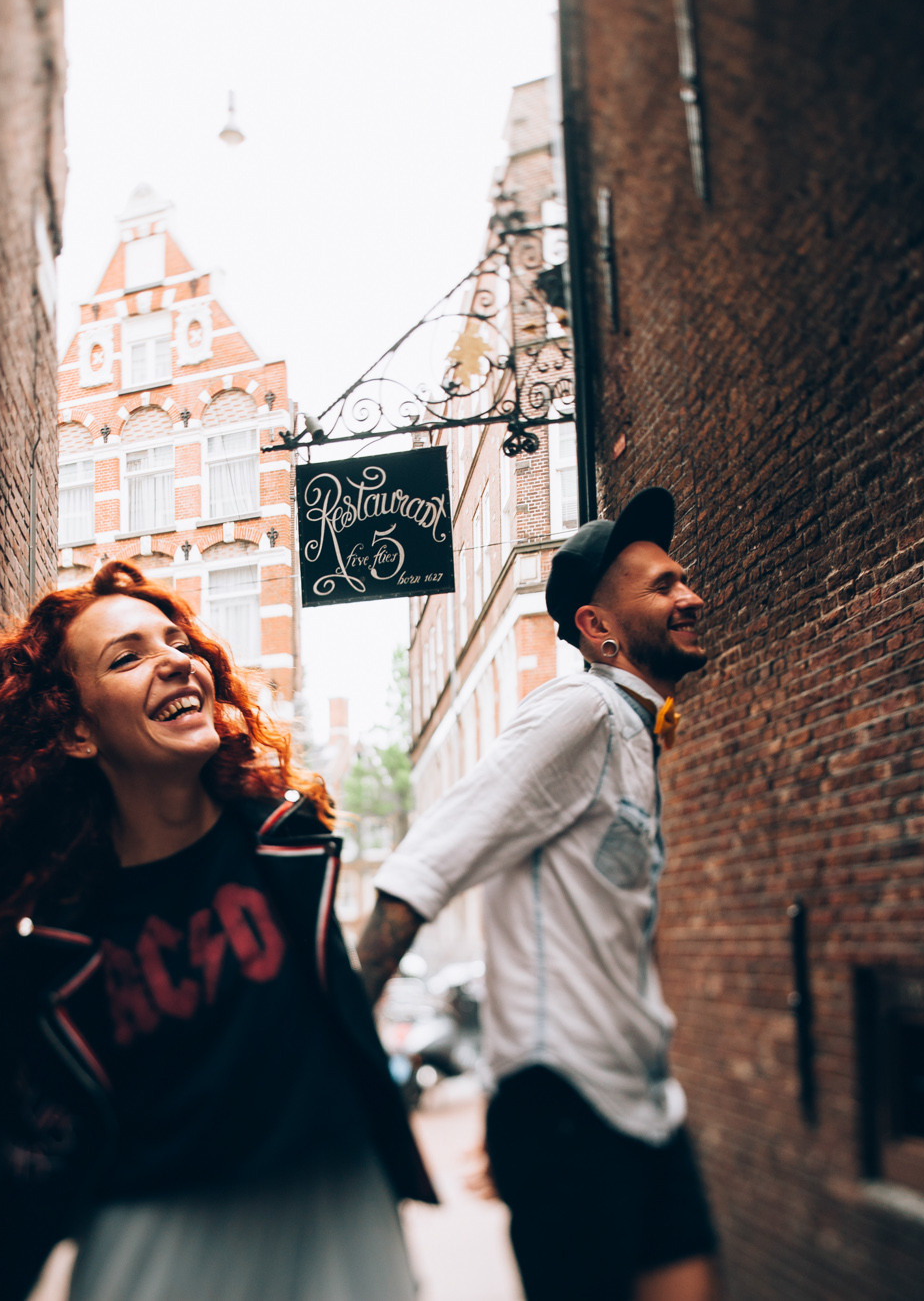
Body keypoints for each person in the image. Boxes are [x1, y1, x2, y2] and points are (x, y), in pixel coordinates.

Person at [0, 560, 434, 1301]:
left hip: (335, 1218)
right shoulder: (47, 943)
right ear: (76, 728)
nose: (175, 661)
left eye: (178, 642)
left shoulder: (287, 843)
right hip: (154, 1244)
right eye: (128, 656)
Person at [356, 486, 721, 1301]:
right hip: (567, 1108)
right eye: (663, 586)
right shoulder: (578, 709)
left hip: (646, 1103)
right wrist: (337, 1051)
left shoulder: (635, 730)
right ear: (598, 629)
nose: (690, 596)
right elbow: (426, 864)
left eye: (683, 580)